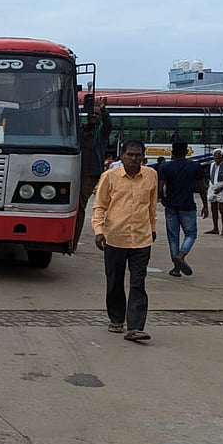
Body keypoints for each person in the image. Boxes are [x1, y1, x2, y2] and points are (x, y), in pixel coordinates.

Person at [92, 139, 157, 343]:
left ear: (143, 157)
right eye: (130, 154)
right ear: (122, 156)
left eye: (138, 155)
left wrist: (153, 229)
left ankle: (136, 326)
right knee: (115, 281)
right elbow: (100, 206)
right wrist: (99, 231)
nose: (134, 159)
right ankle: (117, 319)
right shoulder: (109, 177)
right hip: (114, 238)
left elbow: (152, 207)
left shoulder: (151, 175)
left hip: (142, 238)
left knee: (138, 282)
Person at [157, 142, 208, 278]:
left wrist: (163, 200)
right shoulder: (194, 166)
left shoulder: (165, 167)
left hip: (171, 206)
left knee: (173, 237)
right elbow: (201, 187)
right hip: (187, 205)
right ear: (186, 151)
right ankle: (181, 255)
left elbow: (160, 188)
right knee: (191, 234)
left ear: (172, 152)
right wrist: (205, 205)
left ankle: (176, 268)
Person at [74, 96, 112, 249]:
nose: (93, 116)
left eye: (97, 115)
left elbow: (108, 125)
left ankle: (74, 241)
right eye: (91, 114)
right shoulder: (80, 130)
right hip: (74, 170)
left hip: (90, 173)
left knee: (80, 205)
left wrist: (104, 110)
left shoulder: (101, 133)